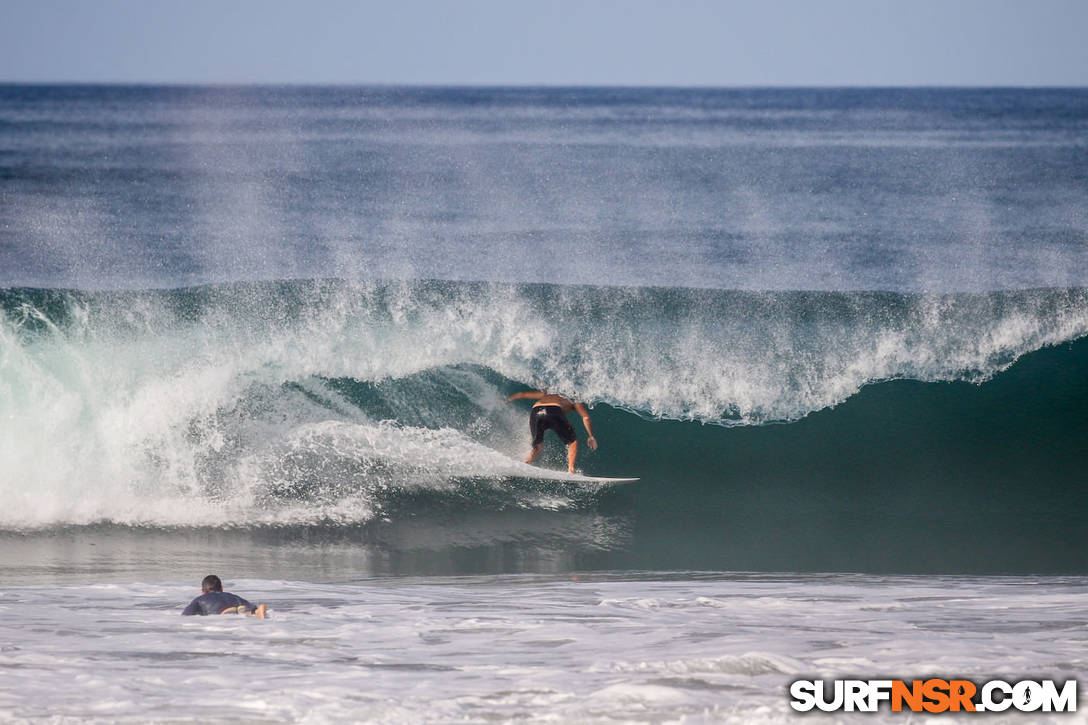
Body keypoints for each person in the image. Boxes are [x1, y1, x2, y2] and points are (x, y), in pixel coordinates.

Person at [506, 390, 598, 473]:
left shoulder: (549, 393)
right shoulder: (574, 399)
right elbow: (586, 417)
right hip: (554, 411)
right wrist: (591, 436)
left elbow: (522, 394)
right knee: (572, 442)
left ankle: (525, 462)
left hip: (536, 411)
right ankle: (571, 469)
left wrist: (507, 400)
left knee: (537, 446)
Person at [181, 574, 267, 618]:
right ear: (222, 588)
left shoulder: (200, 600)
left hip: (218, 614)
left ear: (203, 591)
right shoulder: (233, 596)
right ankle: (250, 612)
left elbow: (185, 616)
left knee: (217, 615)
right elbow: (251, 605)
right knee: (252, 610)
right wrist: (255, 609)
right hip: (238, 604)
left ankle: (226, 613)